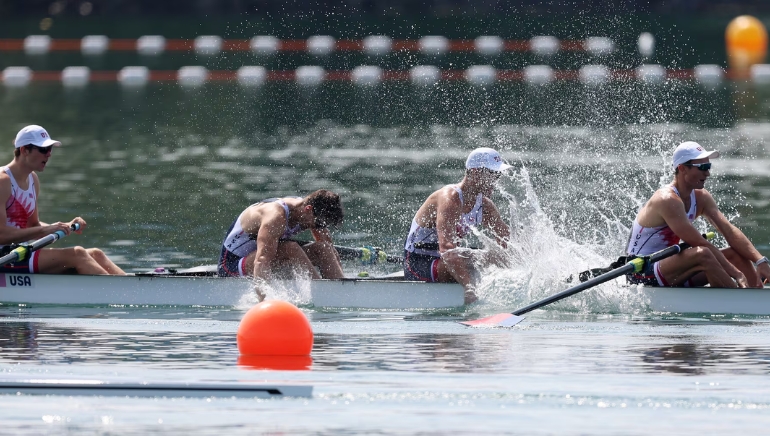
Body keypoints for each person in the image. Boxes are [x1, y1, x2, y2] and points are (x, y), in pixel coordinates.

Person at [626, 141, 770, 288]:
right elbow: (700, 243)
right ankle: (737, 302)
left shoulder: (701, 197)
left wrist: (760, 260)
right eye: (702, 168)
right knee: (703, 253)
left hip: (672, 268)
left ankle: (755, 293)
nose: (707, 173)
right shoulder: (667, 200)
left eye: (709, 167)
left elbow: (729, 231)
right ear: (682, 169)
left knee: (736, 255)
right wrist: (736, 274)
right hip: (642, 271)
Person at [0, 125, 125, 275]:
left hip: (19, 253)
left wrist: (64, 226)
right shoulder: (3, 181)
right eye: (43, 150)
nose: (49, 154)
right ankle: (119, 297)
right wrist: (48, 229)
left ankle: (134, 291)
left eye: (50, 149)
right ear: (24, 150)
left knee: (95, 254)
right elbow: (1, 235)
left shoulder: (33, 179)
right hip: (5, 257)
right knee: (77, 254)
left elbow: (32, 226)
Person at [403, 147, 512, 304]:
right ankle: (471, 287)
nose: (495, 180)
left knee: (497, 257)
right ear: (474, 173)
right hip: (418, 263)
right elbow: (446, 248)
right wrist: (469, 289)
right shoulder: (450, 198)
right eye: (492, 174)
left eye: (498, 174)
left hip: (448, 259)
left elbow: (508, 243)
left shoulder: (485, 206)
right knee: (476, 260)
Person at [218, 189, 345, 300]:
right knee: (291, 248)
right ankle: (321, 294)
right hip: (232, 264)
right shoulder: (275, 216)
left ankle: (340, 292)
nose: (319, 227)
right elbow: (262, 260)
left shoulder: (311, 211)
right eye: (319, 224)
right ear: (308, 209)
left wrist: (343, 281)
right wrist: (263, 301)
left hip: (263, 258)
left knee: (323, 248)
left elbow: (330, 249)